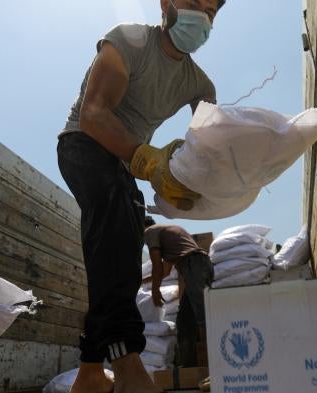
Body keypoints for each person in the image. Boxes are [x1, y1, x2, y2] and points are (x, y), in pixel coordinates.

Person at [56, 0, 225, 392]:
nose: (201, 16)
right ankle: (128, 361)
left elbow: (209, 143)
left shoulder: (200, 85)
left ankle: (90, 372)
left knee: (120, 249)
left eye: (211, 12)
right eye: (193, 3)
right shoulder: (127, 42)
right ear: (166, 3)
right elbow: (93, 114)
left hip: (124, 165)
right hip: (84, 145)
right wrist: (148, 162)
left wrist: (188, 171)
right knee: (115, 225)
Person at [143, 216, 214, 367]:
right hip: (196, 266)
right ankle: (189, 366)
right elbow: (165, 272)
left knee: (203, 317)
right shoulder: (168, 235)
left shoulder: (150, 232)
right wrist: (142, 281)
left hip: (194, 265)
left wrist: (155, 290)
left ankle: (213, 363)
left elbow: (156, 265)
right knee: (184, 320)